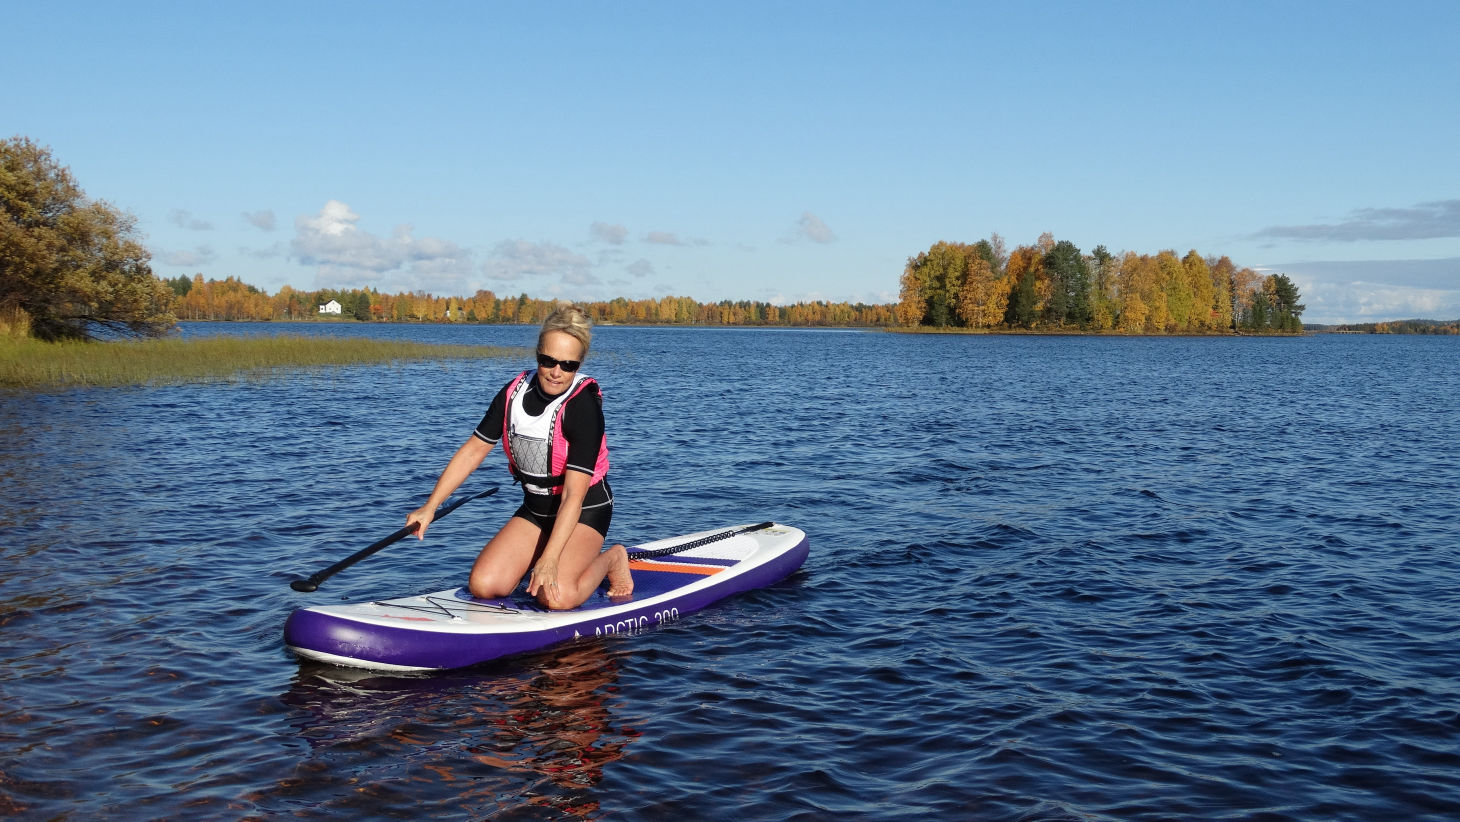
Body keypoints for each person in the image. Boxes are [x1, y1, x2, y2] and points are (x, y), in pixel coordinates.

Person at [407, 306, 632, 609]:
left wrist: (550, 560)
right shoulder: (513, 392)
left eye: (568, 365)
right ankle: (545, 556)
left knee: (557, 597)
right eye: (548, 361)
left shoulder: (584, 408)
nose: (556, 372)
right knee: (484, 586)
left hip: (584, 510)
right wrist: (430, 507)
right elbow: (474, 450)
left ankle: (613, 559)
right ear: (537, 354)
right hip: (537, 508)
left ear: (579, 364)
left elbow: (573, 496)